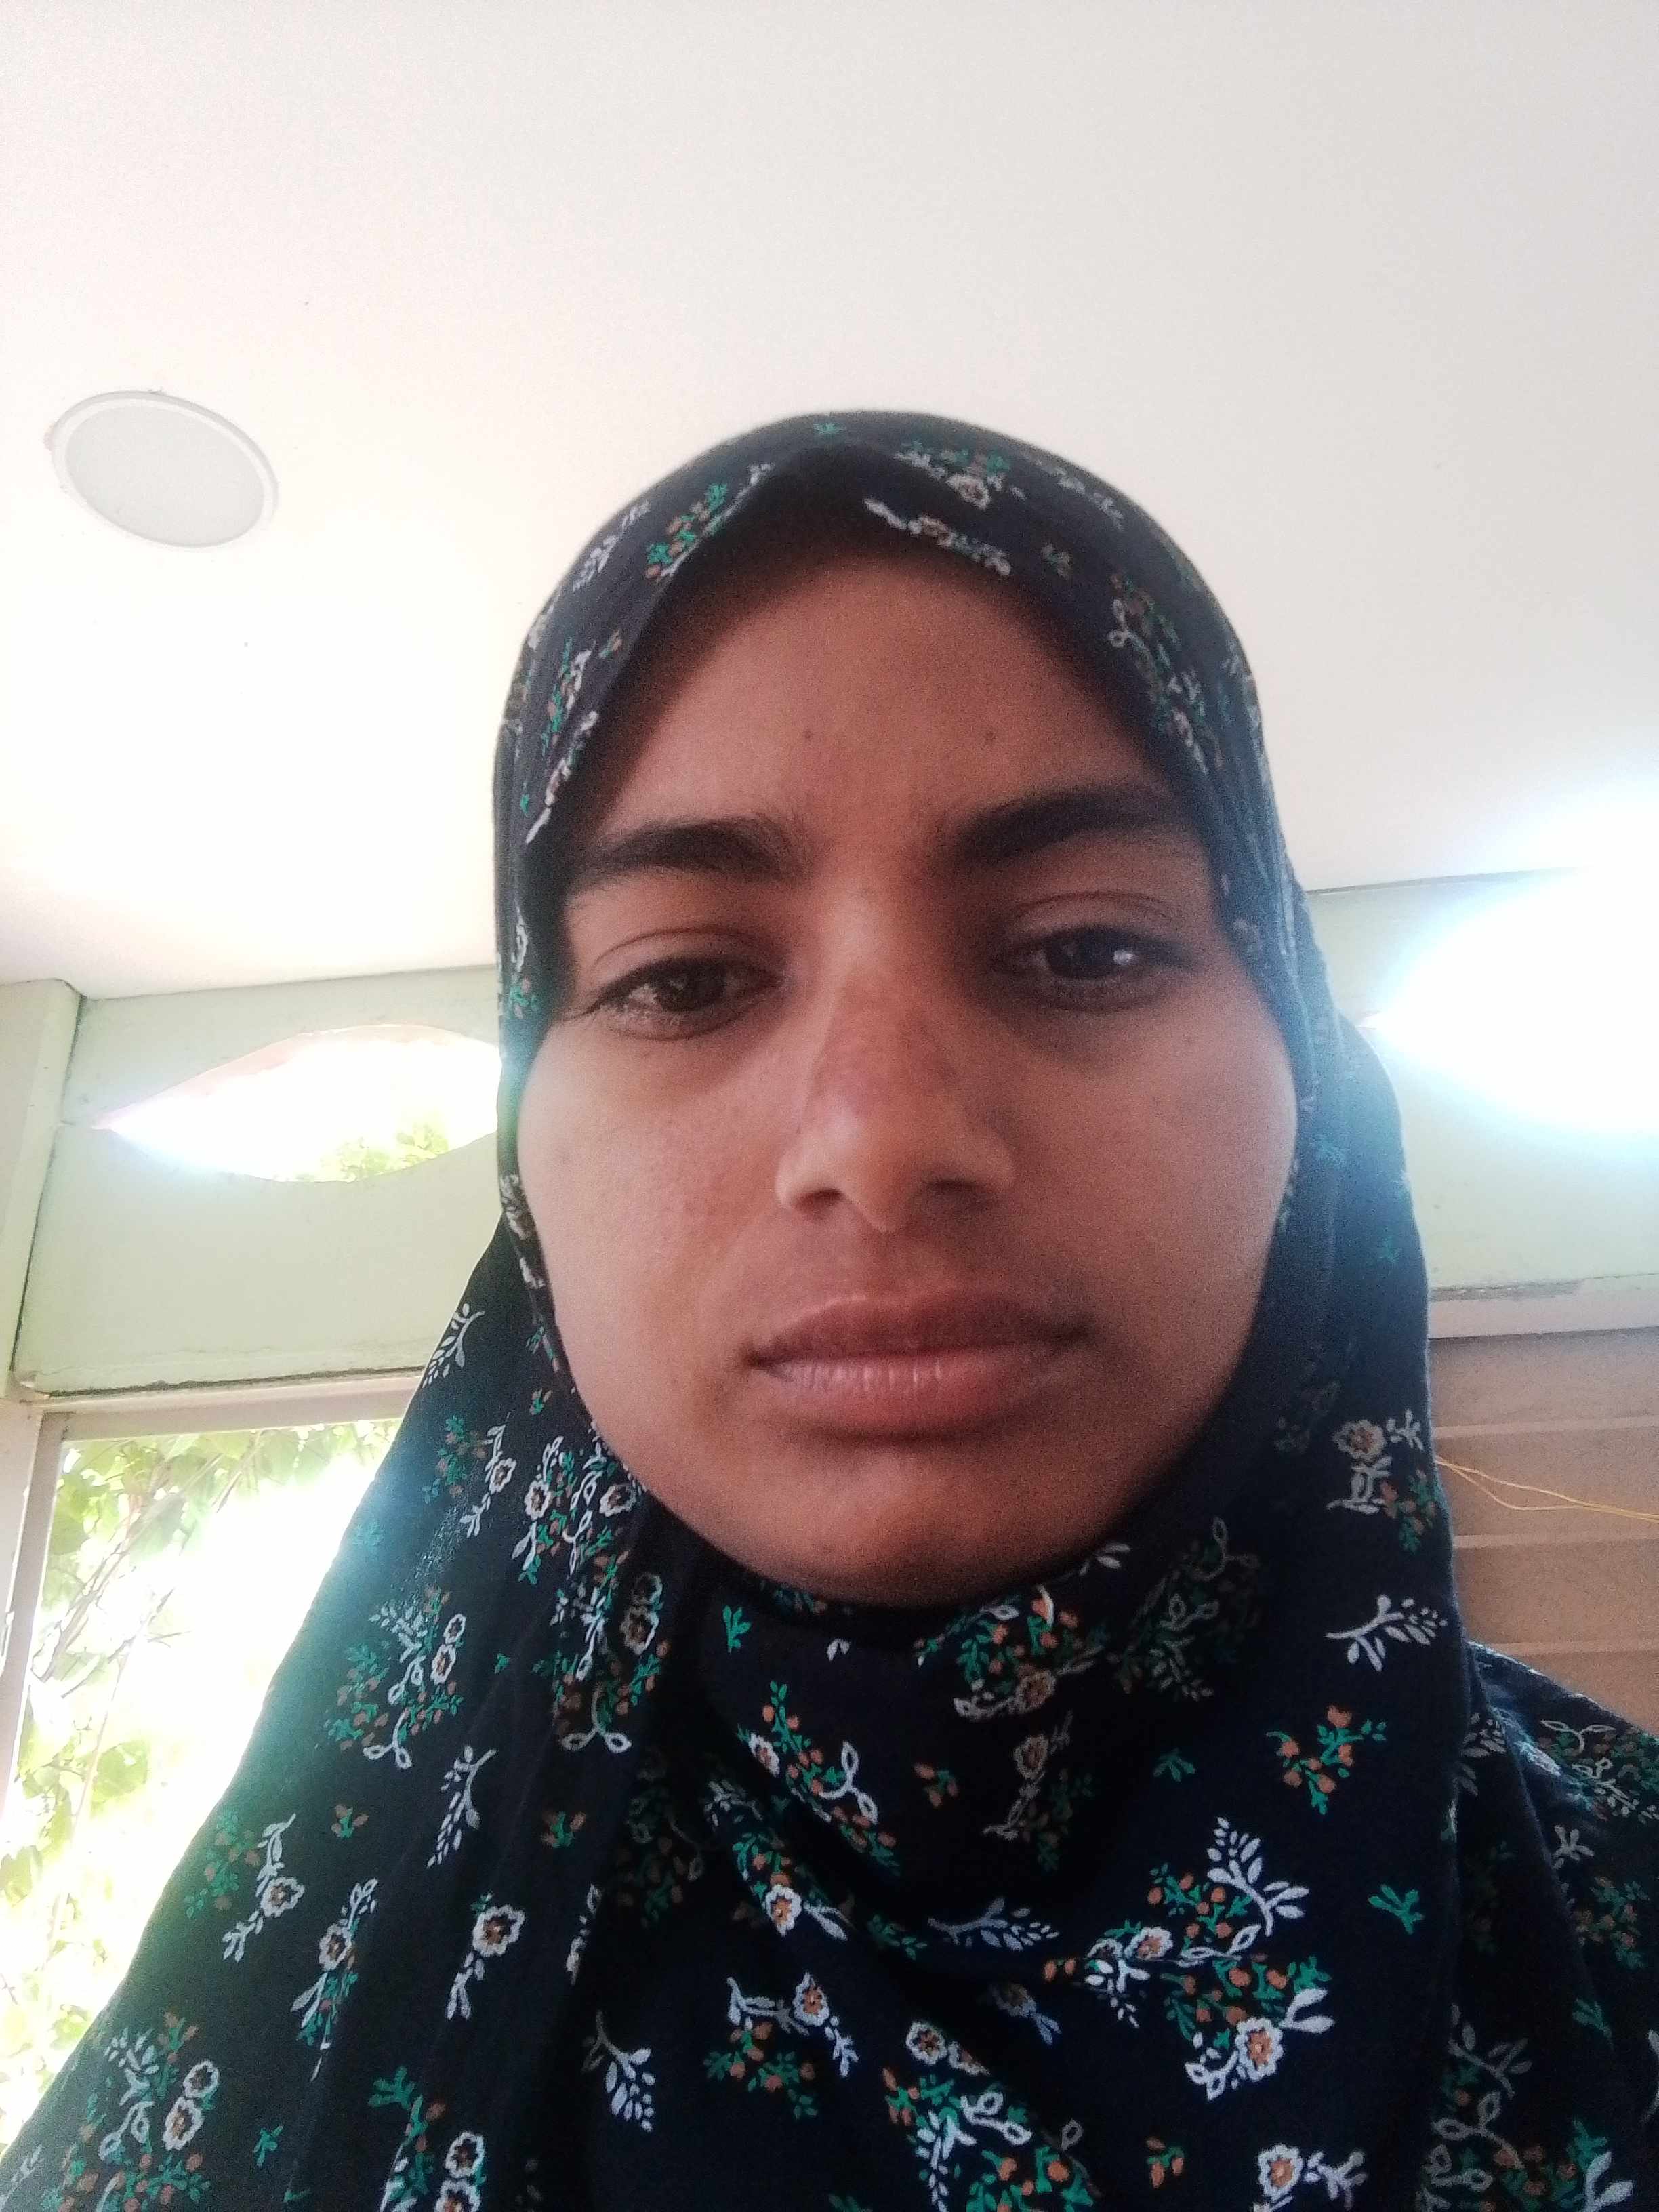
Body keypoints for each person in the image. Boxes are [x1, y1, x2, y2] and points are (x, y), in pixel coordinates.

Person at [3, 411, 1656, 2211]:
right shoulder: (305, 1979)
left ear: (1308, 1088)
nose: (878, 1142)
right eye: (684, 979)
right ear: (529, 1174)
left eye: (1089, 947)